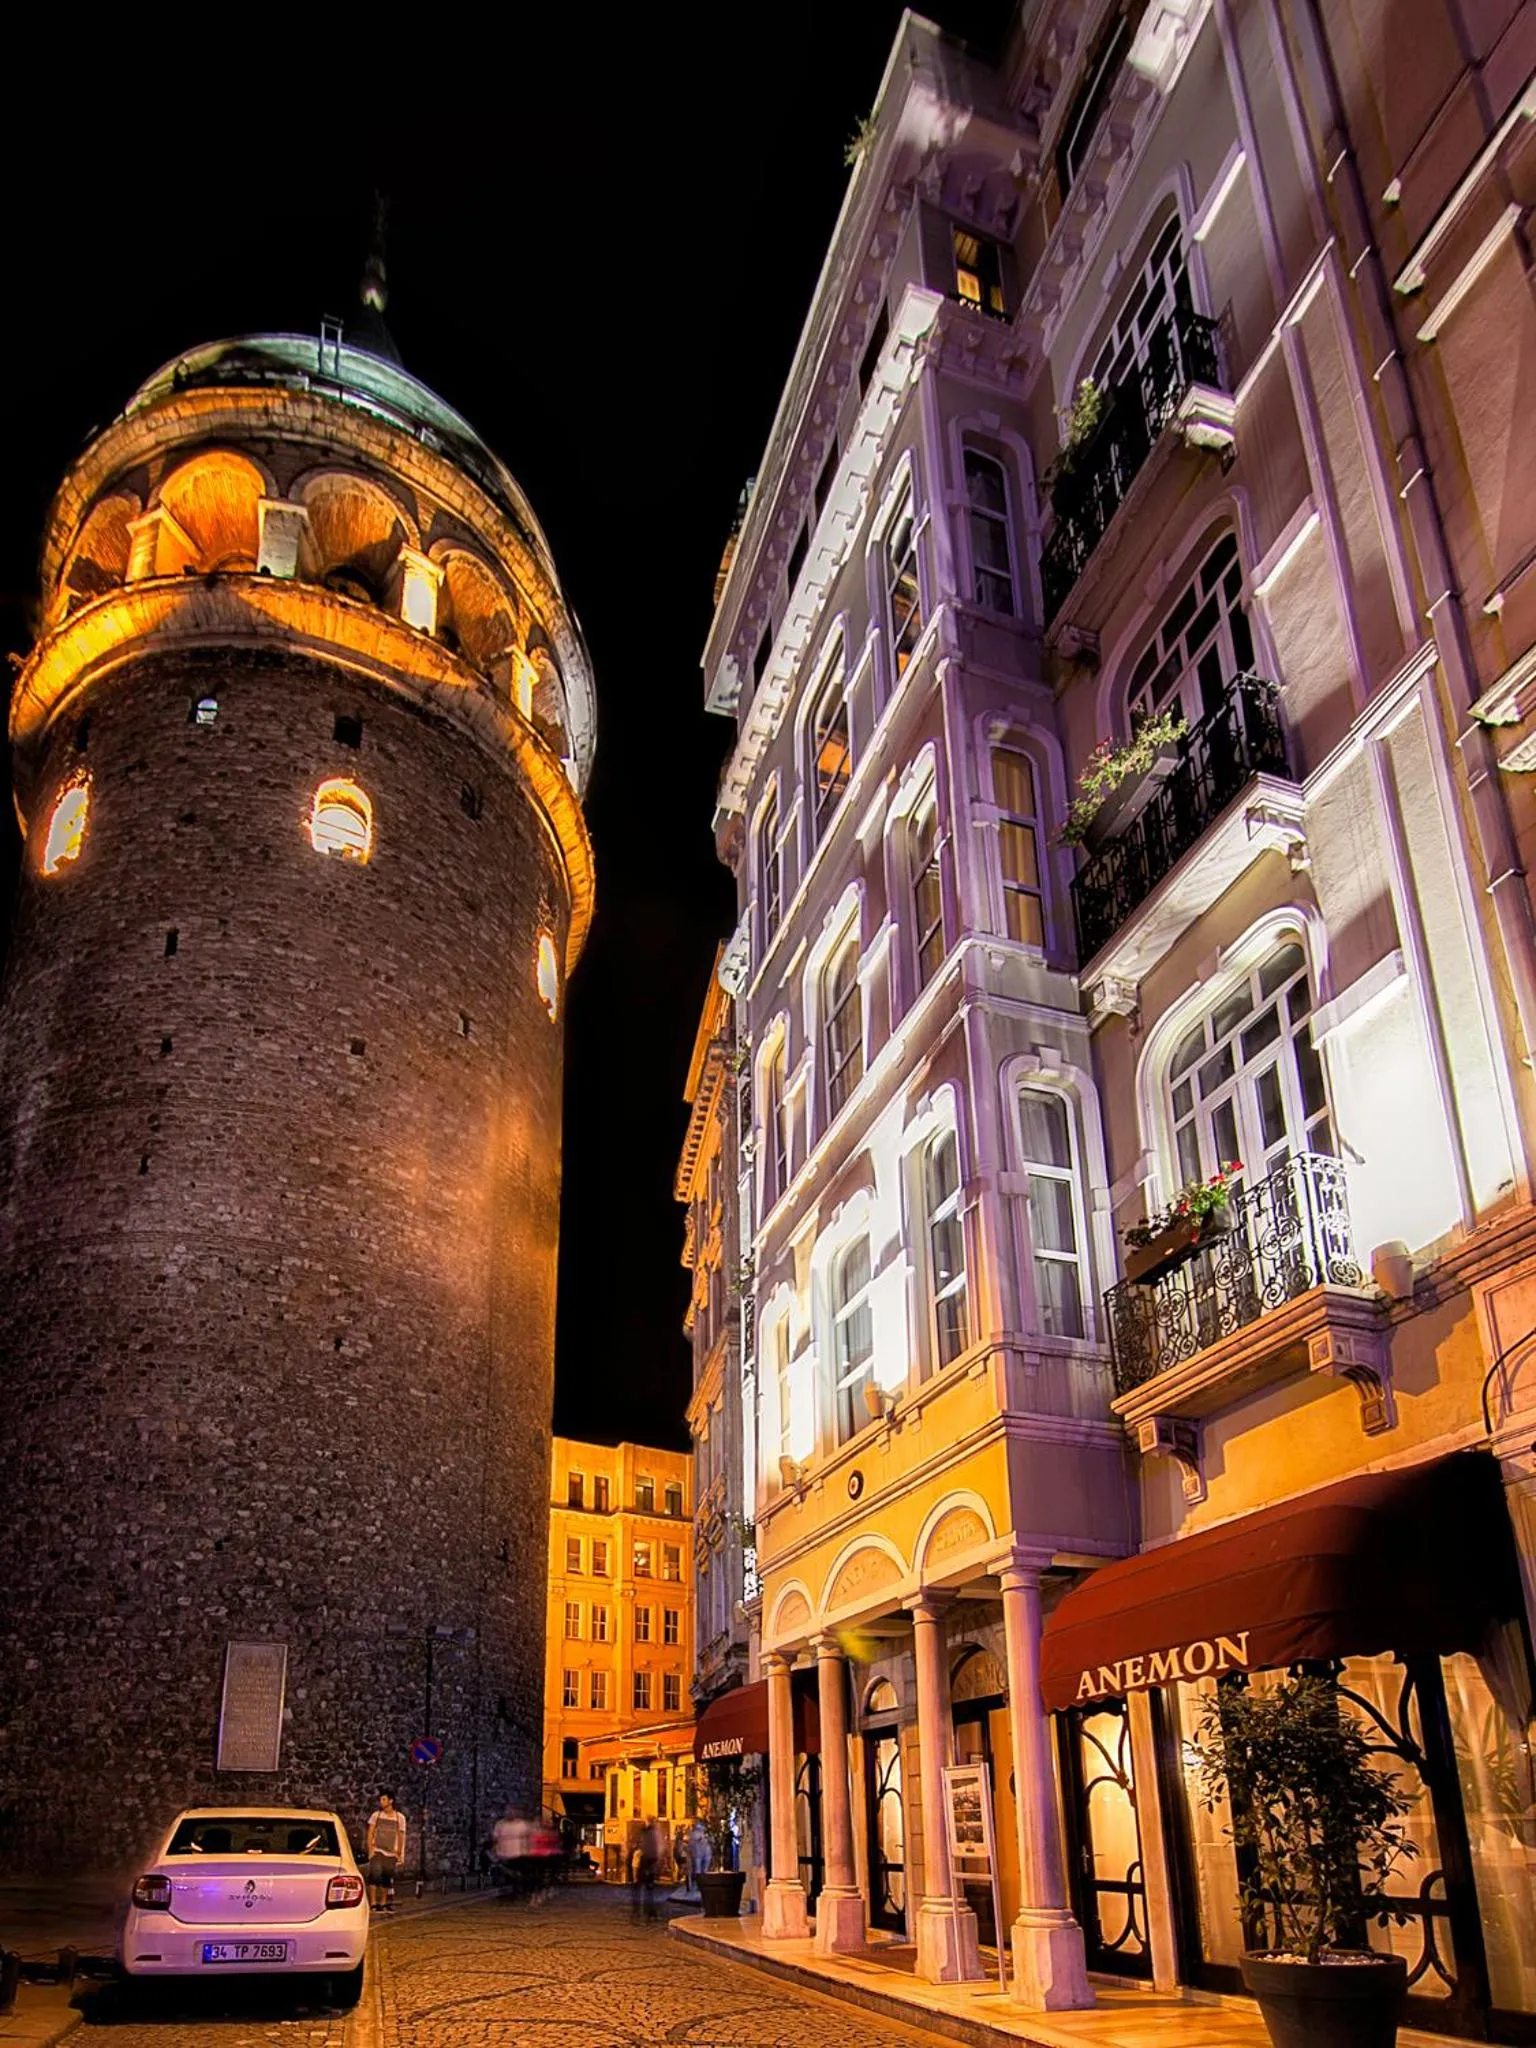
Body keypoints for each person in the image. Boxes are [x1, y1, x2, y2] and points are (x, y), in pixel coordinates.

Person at [365, 1792, 406, 1913]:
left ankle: (382, 1902)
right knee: (374, 1876)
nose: (381, 1802)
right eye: (380, 1800)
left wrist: (399, 1852)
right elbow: (370, 1832)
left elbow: (401, 1834)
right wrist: (370, 1850)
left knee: (386, 1878)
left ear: (391, 1801)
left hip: (391, 1852)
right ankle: (373, 1903)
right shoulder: (376, 1815)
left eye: (383, 1799)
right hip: (377, 1850)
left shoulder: (399, 1818)